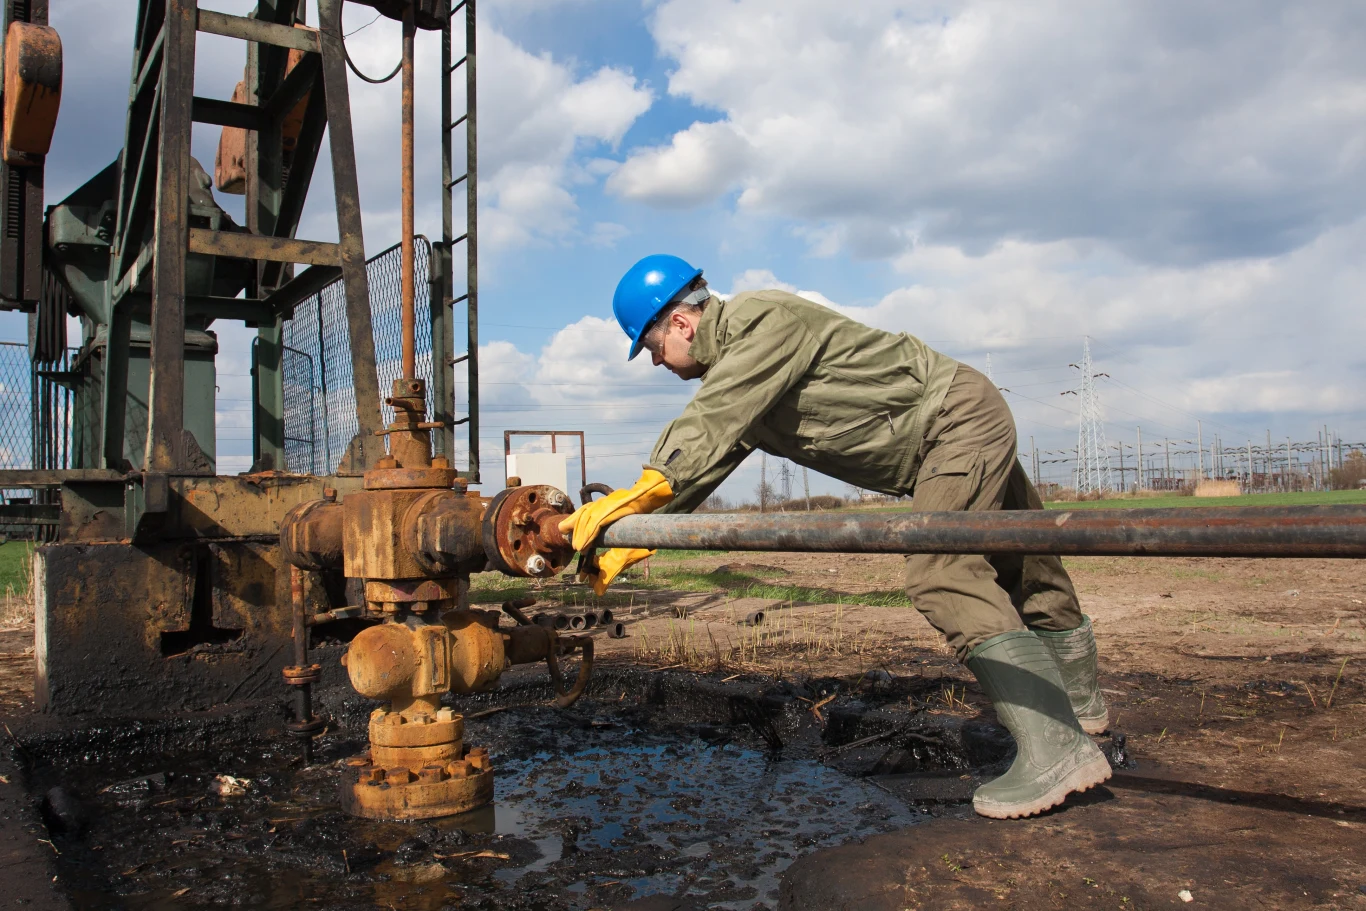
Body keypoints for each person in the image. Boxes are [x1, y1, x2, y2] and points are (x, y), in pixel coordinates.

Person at [558, 254, 1111, 819]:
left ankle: (1058, 751)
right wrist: (627, 536)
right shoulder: (743, 375)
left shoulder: (760, 321)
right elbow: (705, 460)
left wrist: (646, 486)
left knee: (942, 572)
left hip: (952, 422)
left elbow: (709, 420)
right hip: (954, 423)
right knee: (1023, 558)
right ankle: (1080, 703)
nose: (657, 363)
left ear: (679, 323)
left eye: (652, 348)